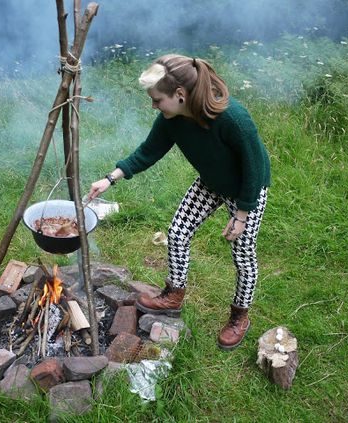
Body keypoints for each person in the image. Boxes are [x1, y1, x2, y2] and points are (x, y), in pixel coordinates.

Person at [87, 54, 271, 350]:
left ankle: (240, 316)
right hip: (212, 183)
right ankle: (173, 294)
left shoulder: (233, 119)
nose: (153, 106)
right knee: (177, 233)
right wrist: (110, 178)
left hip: (247, 190)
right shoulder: (172, 119)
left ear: (180, 95)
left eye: (157, 100)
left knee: (242, 254)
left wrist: (242, 213)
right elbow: (148, 151)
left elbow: (253, 166)